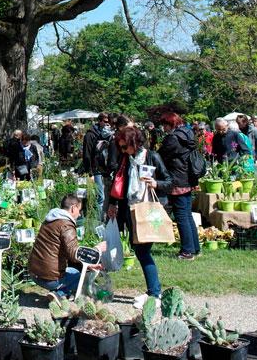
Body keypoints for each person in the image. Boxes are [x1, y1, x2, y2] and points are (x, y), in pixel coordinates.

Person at [107, 126, 168, 296]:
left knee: (143, 252)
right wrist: (113, 203)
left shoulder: (152, 157)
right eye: (121, 147)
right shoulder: (126, 159)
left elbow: (169, 181)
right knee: (139, 251)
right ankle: (154, 291)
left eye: (125, 146)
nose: (123, 150)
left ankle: (155, 292)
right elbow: (118, 182)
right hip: (130, 210)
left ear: (135, 142)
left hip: (147, 210)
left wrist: (156, 184)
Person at [28, 194, 104, 298]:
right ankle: (58, 294)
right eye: (79, 210)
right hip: (50, 278)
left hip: (34, 273)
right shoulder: (66, 225)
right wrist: (97, 249)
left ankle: (58, 292)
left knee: (73, 270)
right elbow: (73, 253)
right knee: (82, 277)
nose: (80, 214)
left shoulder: (49, 220)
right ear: (73, 208)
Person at [157, 113, 200, 260]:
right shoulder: (188, 133)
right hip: (187, 177)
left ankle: (187, 251)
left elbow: (161, 156)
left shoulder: (173, 138)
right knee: (187, 214)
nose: (163, 128)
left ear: (170, 124)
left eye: (165, 124)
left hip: (177, 179)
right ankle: (195, 248)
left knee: (181, 216)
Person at [81, 113, 113, 222]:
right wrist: (89, 173)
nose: (107, 124)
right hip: (96, 169)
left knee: (107, 197)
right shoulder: (90, 135)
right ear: (99, 121)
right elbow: (87, 154)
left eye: (108, 122)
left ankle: (105, 219)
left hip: (107, 170)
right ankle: (100, 222)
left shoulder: (108, 134)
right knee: (101, 197)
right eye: (105, 121)